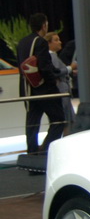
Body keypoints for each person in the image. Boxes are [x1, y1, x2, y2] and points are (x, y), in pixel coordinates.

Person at [16, 13, 67, 154]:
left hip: (27, 89)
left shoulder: (22, 42)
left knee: (32, 123)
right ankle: (45, 152)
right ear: (44, 25)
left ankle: (32, 154)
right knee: (59, 120)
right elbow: (44, 67)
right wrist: (53, 82)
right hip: (44, 89)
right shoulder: (40, 42)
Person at [45, 32, 77, 132]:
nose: (60, 42)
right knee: (65, 120)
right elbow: (56, 72)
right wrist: (70, 68)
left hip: (63, 91)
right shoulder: (51, 56)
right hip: (61, 91)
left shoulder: (54, 56)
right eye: (56, 40)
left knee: (67, 119)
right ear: (49, 43)